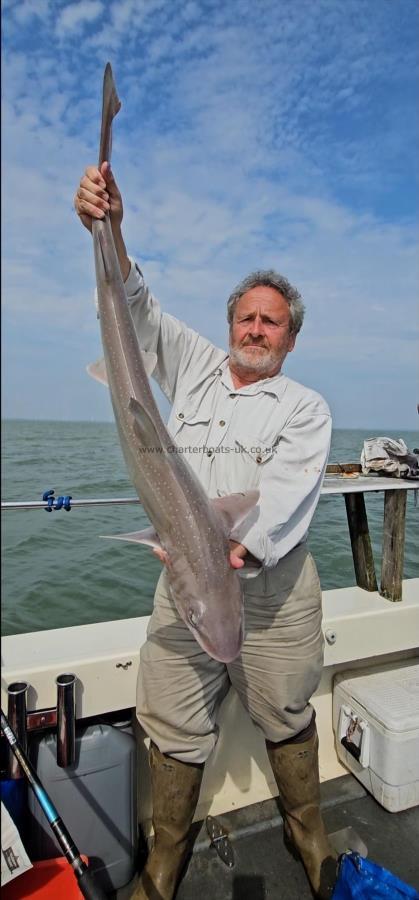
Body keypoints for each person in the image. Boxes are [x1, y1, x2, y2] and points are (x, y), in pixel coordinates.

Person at [74, 163, 337, 900]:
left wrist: (231, 551)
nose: (255, 329)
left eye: (271, 321)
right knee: (172, 715)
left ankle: (307, 830)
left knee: (285, 711)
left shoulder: (304, 407)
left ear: (290, 337)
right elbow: (134, 305)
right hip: (186, 578)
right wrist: (109, 226)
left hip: (272, 591)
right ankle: (165, 859)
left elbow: (282, 501)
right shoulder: (191, 366)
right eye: (246, 318)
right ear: (231, 325)